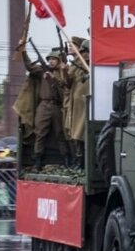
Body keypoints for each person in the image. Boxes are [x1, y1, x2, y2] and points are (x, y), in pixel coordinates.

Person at [23, 48, 66, 169]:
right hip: (44, 104)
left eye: (54, 59)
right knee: (40, 133)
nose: (51, 61)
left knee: (60, 133)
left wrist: (53, 78)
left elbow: (64, 86)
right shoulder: (43, 70)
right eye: (50, 59)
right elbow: (30, 67)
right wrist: (23, 52)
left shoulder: (63, 72)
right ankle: (37, 159)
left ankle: (66, 158)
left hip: (57, 105)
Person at [61, 36, 91, 168]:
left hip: (88, 104)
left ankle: (82, 162)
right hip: (77, 105)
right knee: (75, 134)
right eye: (84, 52)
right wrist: (64, 71)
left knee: (82, 134)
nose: (85, 55)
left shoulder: (94, 65)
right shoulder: (77, 65)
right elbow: (67, 83)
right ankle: (78, 161)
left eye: (87, 52)